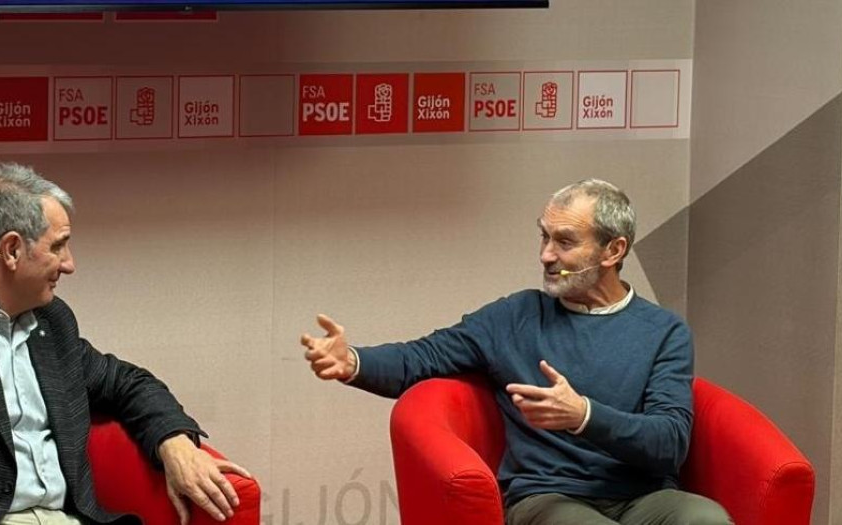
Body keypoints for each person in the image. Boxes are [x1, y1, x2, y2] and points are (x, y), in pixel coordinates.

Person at [301, 179, 732, 525]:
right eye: (544, 237)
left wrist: (583, 415)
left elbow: (669, 443)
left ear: (613, 250)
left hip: (643, 499)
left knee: (705, 518)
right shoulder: (514, 317)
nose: (546, 255)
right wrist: (352, 362)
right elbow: (420, 359)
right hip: (547, 498)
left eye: (564, 242)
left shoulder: (664, 331)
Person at [0, 163, 251, 525]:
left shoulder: (52, 321)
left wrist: (175, 442)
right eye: (58, 246)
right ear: (11, 250)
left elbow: (127, 383)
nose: (69, 264)